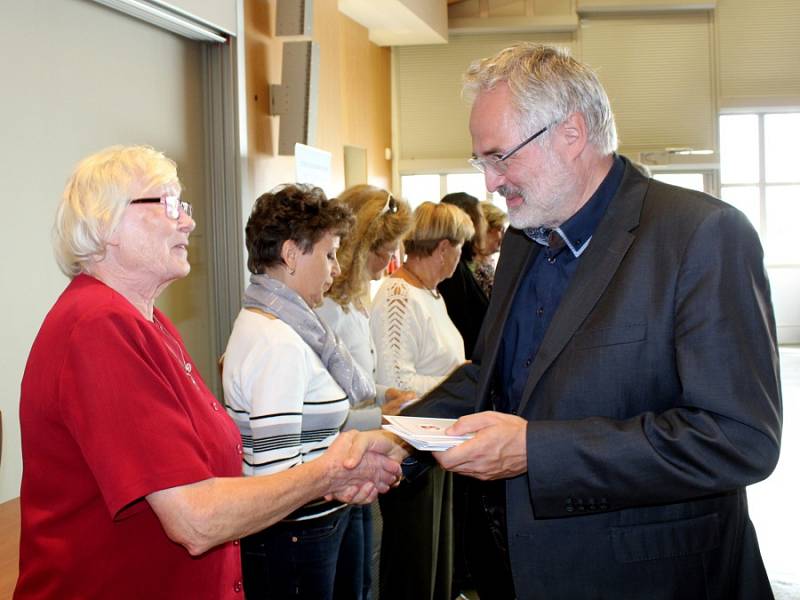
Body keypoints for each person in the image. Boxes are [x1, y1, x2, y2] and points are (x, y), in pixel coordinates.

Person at [404, 43, 783, 600]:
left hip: (651, 578)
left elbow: (739, 439)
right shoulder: (523, 240)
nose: (490, 182)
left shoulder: (700, 235)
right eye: (481, 162)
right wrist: (405, 437)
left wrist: (537, 450)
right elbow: (493, 375)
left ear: (571, 134)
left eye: (500, 156)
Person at [16, 147, 403, 600]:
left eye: (185, 205)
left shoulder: (148, 323)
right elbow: (195, 519)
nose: (187, 222)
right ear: (107, 223)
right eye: (168, 204)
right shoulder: (99, 328)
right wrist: (329, 473)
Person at [223, 183, 397, 600]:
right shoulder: (277, 339)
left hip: (313, 522)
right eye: (330, 253)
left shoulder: (287, 326)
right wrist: (349, 472)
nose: (336, 268)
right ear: (290, 255)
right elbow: (278, 476)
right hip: (296, 535)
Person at [313, 184, 415, 599]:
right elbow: (323, 405)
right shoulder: (324, 309)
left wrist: (385, 392)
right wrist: (385, 414)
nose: (389, 261)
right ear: (357, 248)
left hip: (360, 451)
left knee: (364, 578)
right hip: (333, 462)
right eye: (383, 251)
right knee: (350, 584)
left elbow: (354, 381)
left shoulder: (355, 302)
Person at [370, 201, 474, 600]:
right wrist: (460, 380)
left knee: (434, 561)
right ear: (444, 248)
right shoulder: (398, 295)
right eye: (460, 249)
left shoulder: (430, 293)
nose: (459, 259)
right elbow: (396, 384)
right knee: (412, 563)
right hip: (409, 447)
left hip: (436, 438)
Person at [437, 192, 489, 359]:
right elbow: (461, 324)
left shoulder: (462, 266)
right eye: (481, 217)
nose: (484, 224)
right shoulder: (453, 271)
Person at [472, 201, 507, 297]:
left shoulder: (488, 263)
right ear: (484, 229)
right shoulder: (469, 268)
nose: (503, 237)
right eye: (500, 229)